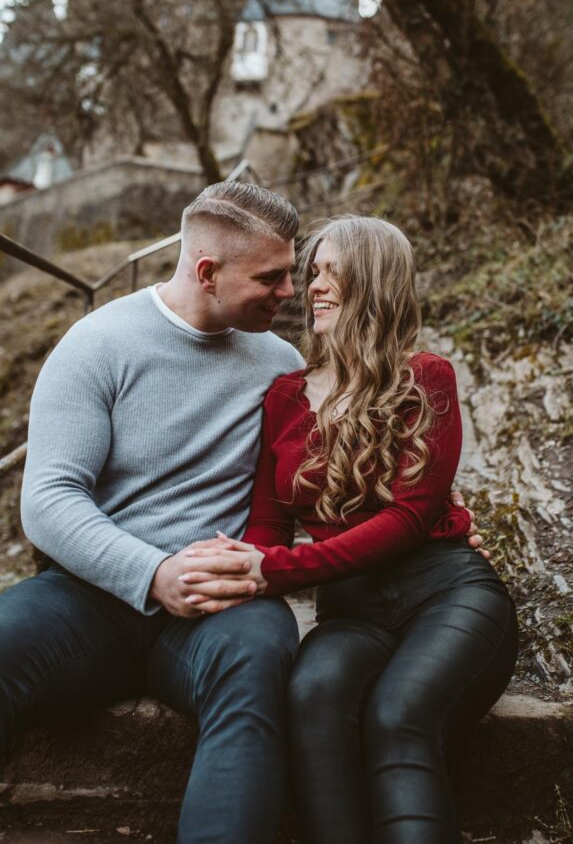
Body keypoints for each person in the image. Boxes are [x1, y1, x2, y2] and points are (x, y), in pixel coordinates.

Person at [179, 215, 518, 844]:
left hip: (446, 593)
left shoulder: (425, 377)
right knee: (312, 697)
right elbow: (268, 522)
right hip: (353, 611)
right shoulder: (283, 394)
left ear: (377, 281)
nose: (313, 286)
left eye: (333, 271)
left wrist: (274, 571)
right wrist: (240, 569)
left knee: (397, 714)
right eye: (313, 273)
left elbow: (410, 518)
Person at [1, 181, 306, 844]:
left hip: (221, 609)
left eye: (292, 273)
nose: (290, 292)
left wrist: (440, 520)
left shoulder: (282, 363)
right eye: (271, 277)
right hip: (93, 598)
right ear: (206, 271)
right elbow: (49, 501)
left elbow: (315, 486)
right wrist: (154, 572)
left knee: (258, 672)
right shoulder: (97, 345)